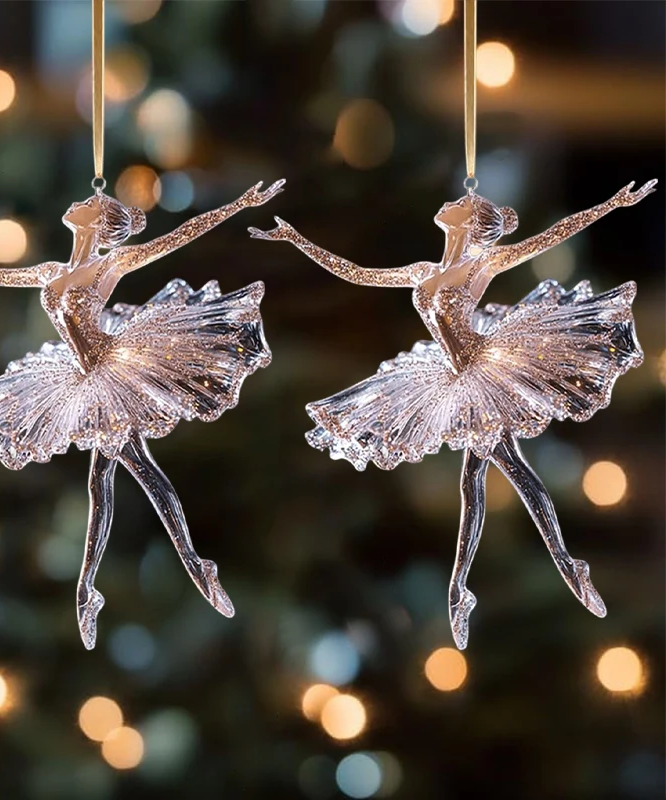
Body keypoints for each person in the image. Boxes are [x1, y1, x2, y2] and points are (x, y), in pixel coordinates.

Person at [249, 179, 656, 648]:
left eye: (460, 202)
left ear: (468, 222)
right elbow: (357, 274)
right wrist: (297, 240)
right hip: (451, 375)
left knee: (492, 477)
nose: (449, 202)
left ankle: (495, 581)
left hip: (482, 370)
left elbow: (551, 236)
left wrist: (612, 203)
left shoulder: (483, 264)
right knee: (486, 478)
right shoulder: (424, 270)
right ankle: (503, 579)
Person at [0, 179, 284, 648]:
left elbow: (180, 235)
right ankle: (136, 578)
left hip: (111, 370)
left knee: (119, 477)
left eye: (88, 201)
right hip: (80, 377)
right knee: (114, 478)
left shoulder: (111, 264)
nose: (77, 201)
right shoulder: (51, 271)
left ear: (97, 222)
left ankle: (121, 582)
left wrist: (240, 203)